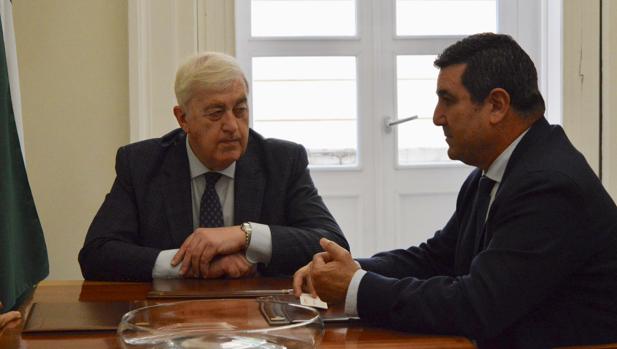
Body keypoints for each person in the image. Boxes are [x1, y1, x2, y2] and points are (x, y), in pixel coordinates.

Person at [293, 33, 617, 348]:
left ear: (497, 105)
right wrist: (347, 269)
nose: (437, 118)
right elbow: (437, 258)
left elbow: (476, 307)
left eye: (447, 100)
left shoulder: (549, 185)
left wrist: (355, 288)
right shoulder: (494, 171)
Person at [79, 52, 348, 281]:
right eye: (216, 113)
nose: (232, 126)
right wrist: (189, 263)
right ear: (183, 118)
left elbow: (332, 244)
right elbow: (97, 254)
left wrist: (246, 236)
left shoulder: (282, 161)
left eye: (240, 109)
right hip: (170, 319)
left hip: (257, 317)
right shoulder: (141, 164)